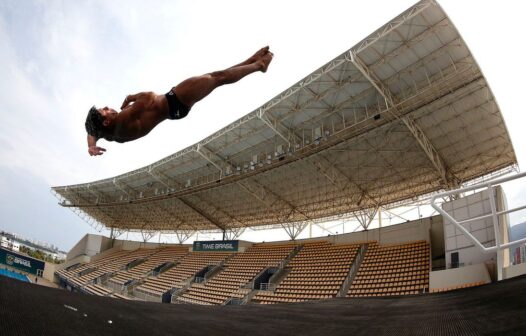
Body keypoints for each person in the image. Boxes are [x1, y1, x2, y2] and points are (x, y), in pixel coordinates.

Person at [85, 46, 274, 156]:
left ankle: (251, 60)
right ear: (107, 120)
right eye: (105, 110)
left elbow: (92, 131)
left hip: (173, 109)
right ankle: (259, 66)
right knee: (218, 78)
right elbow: (149, 96)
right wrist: (132, 97)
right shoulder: (124, 119)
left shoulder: (110, 134)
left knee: (216, 77)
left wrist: (91, 146)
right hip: (173, 101)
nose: (109, 107)